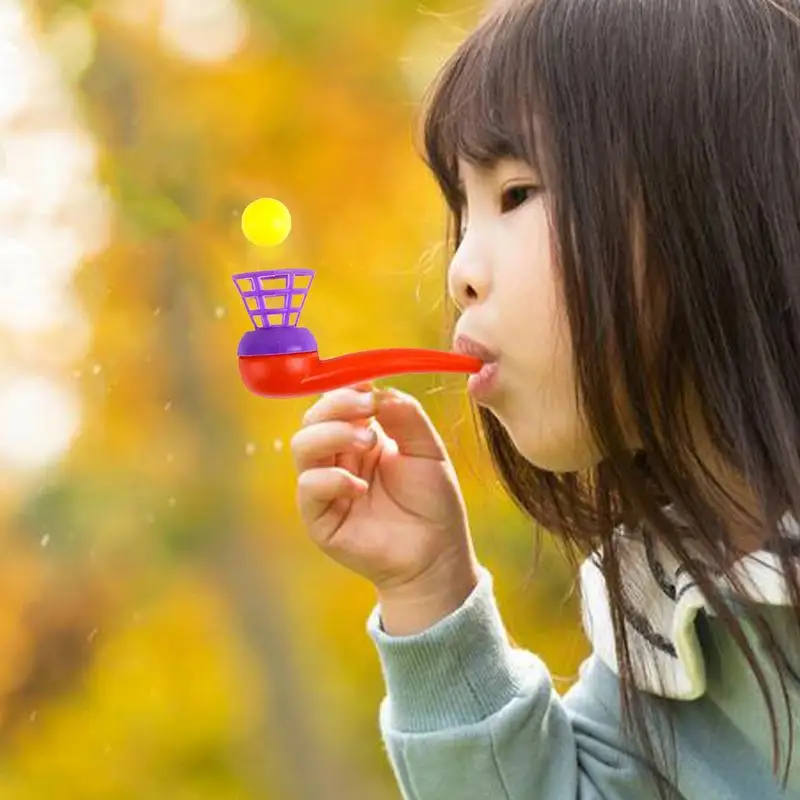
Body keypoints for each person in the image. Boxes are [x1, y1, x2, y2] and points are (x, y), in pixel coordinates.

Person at [289, 0, 800, 797]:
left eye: (517, 193)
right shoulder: (662, 630)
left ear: (710, 198)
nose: (460, 269)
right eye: (462, 213)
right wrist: (430, 591)